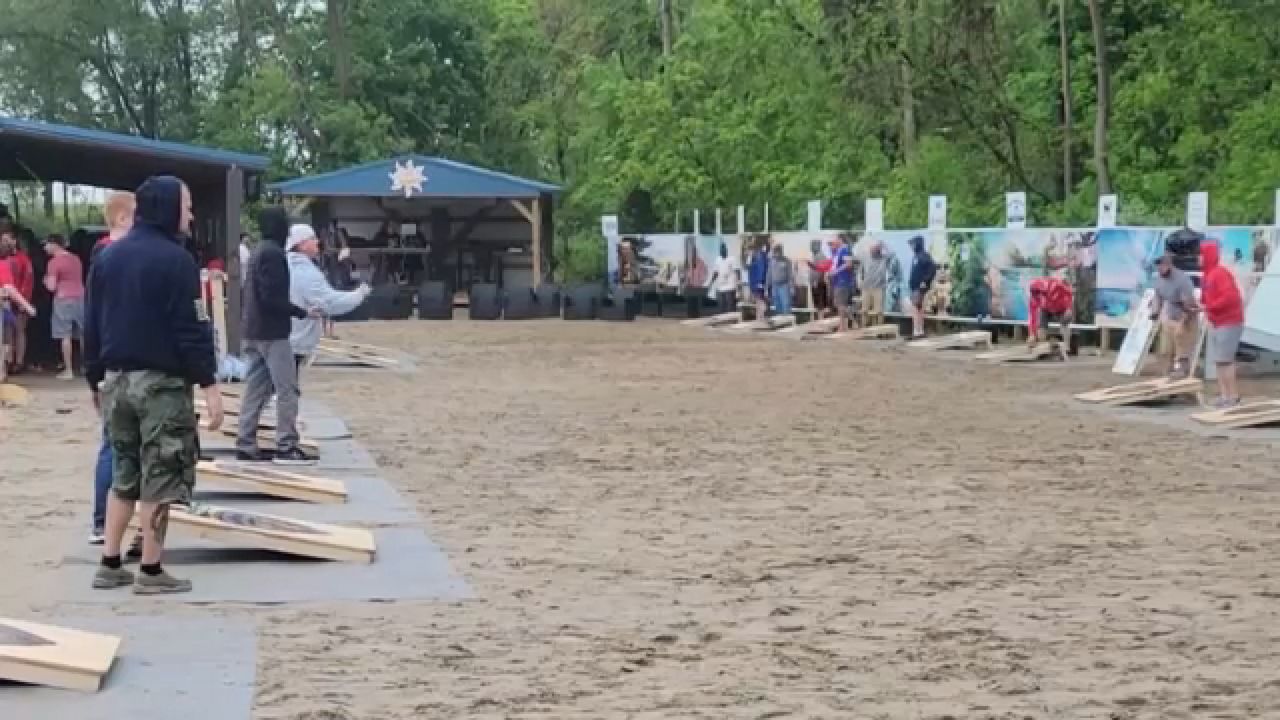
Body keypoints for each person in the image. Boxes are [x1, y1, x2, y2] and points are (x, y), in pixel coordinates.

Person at [84, 175, 223, 594]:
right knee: (161, 475)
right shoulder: (177, 260)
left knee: (124, 470)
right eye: (188, 204)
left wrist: (94, 378)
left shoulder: (107, 257)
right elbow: (192, 327)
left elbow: (91, 322)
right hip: (161, 385)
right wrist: (209, 383)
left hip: (116, 381)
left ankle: (109, 561)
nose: (192, 214)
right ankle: (150, 569)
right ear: (167, 207)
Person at [238, 206, 314, 466]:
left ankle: (245, 441)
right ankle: (286, 445)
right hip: (273, 332)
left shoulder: (258, 251)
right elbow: (273, 298)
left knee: (256, 388)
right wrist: (301, 312)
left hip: (252, 330)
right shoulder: (274, 255)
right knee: (287, 389)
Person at [89, 191, 136, 545]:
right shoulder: (111, 257)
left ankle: (104, 521)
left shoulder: (103, 258)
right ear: (121, 219)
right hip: (115, 363)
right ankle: (105, 521)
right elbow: (95, 320)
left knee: (113, 443)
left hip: (109, 362)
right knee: (115, 444)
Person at [286, 224, 370, 372]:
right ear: (301, 244)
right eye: (312, 238)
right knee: (285, 386)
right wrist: (359, 294)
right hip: (295, 338)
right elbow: (329, 302)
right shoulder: (304, 271)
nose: (317, 241)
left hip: (288, 335)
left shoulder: (290, 265)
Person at [1201, 241, 1245, 408]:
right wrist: (1201, 306)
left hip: (1230, 321)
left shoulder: (1220, 273)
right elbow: (1206, 298)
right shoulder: (1207, 275)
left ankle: (1233, 397)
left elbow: (1231, 298)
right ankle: (1224, 395)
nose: (1197, 258)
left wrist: (1210, 306)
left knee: (1225, 360)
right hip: (1216, 321)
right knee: (1219, 361)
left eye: (1200, 254)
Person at [1150, 251, 1200, 379]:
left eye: (1162, 265)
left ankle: (1182, 376)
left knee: (1182, 349)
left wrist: (1183, 322)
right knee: (1166, 349)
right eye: (1158, 266)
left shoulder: (1182, 279)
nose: (1160, 268)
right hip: (1169, 314)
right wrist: (1155, 311)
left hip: (1186, 314)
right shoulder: (1159, 279)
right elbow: (1157, 296)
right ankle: (1166, 375)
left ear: (1169, 265)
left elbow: (1189, 303)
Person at [44, 233, 86, 379]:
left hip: (63, 299)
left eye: (47, 244)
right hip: (81, 297)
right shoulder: (76, 259)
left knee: (65, 335)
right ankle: (86, 366)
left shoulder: (53, 263)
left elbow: (51, 286)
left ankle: (68, 370)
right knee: (83, 334)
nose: (45, 247)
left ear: (55, 244)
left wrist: (45, 281)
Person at [1, 229, 34, 373]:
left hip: (17, 298)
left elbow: (28, 280)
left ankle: (18, 361)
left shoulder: (23, 258)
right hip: (7, 300)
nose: (4, 242)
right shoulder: (5, 261)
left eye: (7, 239)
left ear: (15, 241)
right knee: (6, 333)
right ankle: (7, 362)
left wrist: (24, 301)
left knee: (19, 330)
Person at [1027, 275, 1074, 351]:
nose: (1038, 298)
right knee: (1041, 331)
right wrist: (1032, 334)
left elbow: (1069, 292)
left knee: (1065, 321)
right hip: (1046, 309)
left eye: (1040, 296)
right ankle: (1045, 345)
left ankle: (1066, 346)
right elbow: (1032, 317)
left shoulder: (1055, 284)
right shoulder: (1033, 300)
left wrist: (1068, 307)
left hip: (1062, 308)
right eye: (1036, 297)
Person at [907, 235, 936, 339]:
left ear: (918, 244)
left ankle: (918, 331)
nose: (911, 246)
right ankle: (918, 330)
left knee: (917, 309)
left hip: (920, 288)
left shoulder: (924, 256)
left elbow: (932, 269)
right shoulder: (916, 256)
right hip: (915, 287)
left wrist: (925, 281)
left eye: (913, 244)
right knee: (917, 309)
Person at [828, 235, 855, 330]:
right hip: (837, 280)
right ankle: (850, 322)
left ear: (840, 240)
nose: (833, 242)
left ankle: (843, 325)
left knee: (841, 304)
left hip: (842, 281)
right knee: (838, 304)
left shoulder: (845, 250)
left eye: (835, 240)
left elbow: (849, 264)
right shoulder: (838, 251)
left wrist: (836, 271)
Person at [860, 241, 889, 328]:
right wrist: (860, 280)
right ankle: (864, 327)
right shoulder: (865, 257)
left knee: (878, 310)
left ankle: (878, 328)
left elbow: (891, 252)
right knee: (865, 309)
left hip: (879, 287)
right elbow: (861, 271)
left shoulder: (883, 258)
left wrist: (882, 244)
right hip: (866, 287)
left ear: (879, 249)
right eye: (871, 249)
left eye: (875, 249)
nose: (872, 251)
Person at [706, 243, 740, 314]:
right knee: (721, 307)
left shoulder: (732, 259)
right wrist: (711, 283)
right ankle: (723, 322)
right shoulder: (718, 259)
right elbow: (716, 272)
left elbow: (737, 271)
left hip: (730, 286)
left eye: (724, 250)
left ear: (726, 250)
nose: (723, 251)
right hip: (720, 287)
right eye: (721, 250)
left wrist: (738, 282)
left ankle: (731, 321)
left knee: (730, 306)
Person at [766, 243, 793, 316]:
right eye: (775, 252)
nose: (777, 254)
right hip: (775, 286)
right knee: (777, 304)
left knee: (786, 304)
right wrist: (767, 287)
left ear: (781, 252)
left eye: (778, 252)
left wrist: (791, 288)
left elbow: (790, 275)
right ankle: (780, 322)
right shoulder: (771, 261)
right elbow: (769, 274)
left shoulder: (787, 261)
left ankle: (787, 321)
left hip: (784, 285)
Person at [747, 238, 770, 318]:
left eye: (749, 251)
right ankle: (760, 317)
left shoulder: (759, 256)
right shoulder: (756, 257)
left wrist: (760, 282)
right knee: (758, 301)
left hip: (758, 283)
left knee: (760, 300)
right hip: (755, 282)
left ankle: (762, 317)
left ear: (753, 250)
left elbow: (761, 269)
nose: (748, 253)